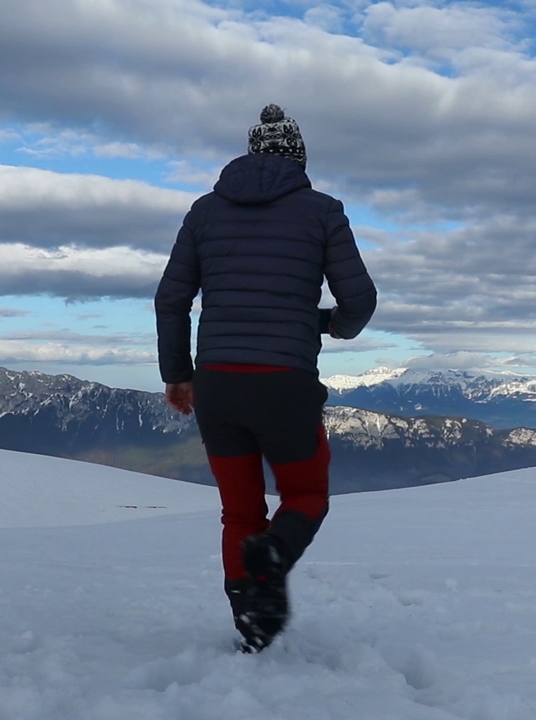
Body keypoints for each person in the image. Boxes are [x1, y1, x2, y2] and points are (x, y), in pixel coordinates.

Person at [154, 104, 377, 652]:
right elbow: (361, 299)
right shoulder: (322, 212)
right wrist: (332, 326)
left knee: (240, 511)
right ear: (298, 159)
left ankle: (250, 628)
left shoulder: (204, 212)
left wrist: (178, 374)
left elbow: (171, 299)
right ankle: (273, 558)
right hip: (285, 383)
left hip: (217, 386)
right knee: (306, 494)